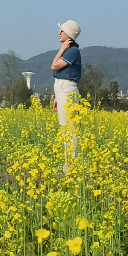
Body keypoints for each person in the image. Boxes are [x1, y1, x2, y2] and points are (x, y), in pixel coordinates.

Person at [51, 20, 81, 169]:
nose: (59, 33)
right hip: (63, 89)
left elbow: (54, 66)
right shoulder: (70, 51)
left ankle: (70, 166)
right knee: (66, 128)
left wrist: (62, 48)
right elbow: (60, 73)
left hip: (67, 90)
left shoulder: (72, 51)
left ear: (68, 35)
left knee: (69, 129)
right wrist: (57, 96)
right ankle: (68, 164)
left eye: (61, 31)